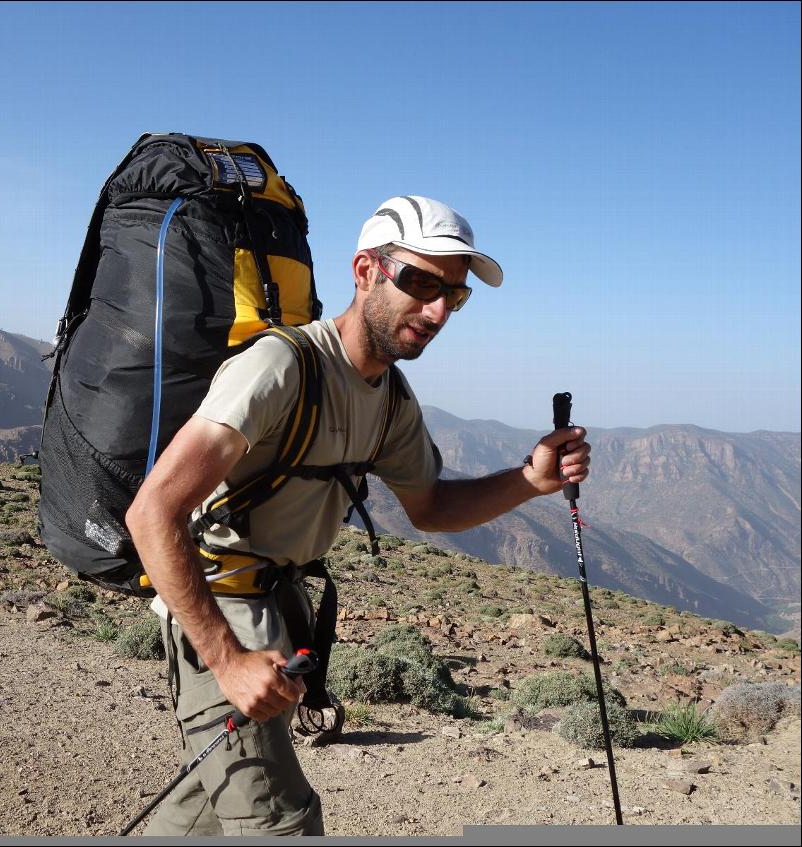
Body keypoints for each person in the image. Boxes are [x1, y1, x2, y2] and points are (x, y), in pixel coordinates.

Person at [124, 195, 591, 835]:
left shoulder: (391, 399)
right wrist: (229, 660)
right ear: (366, 269)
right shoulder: (280, 366)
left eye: (453, 296)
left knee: (204, 810)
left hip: (283, 604)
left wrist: (528, 480)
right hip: (223, 604)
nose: (436, 311)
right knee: (281, 821)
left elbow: (431, 508)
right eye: (421, 282)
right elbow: (152, 512)